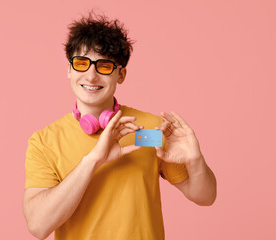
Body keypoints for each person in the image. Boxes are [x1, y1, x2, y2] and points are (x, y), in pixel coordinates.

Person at [23, 12, 217, 240]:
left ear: (121, 74)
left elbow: (205, 197)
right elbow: (38, 225)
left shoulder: (148, 129)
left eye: (104, 66)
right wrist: (94, 160)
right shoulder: (45, 141)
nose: (91, 76)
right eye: (82, 63)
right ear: (69, 69)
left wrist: (195, 161)